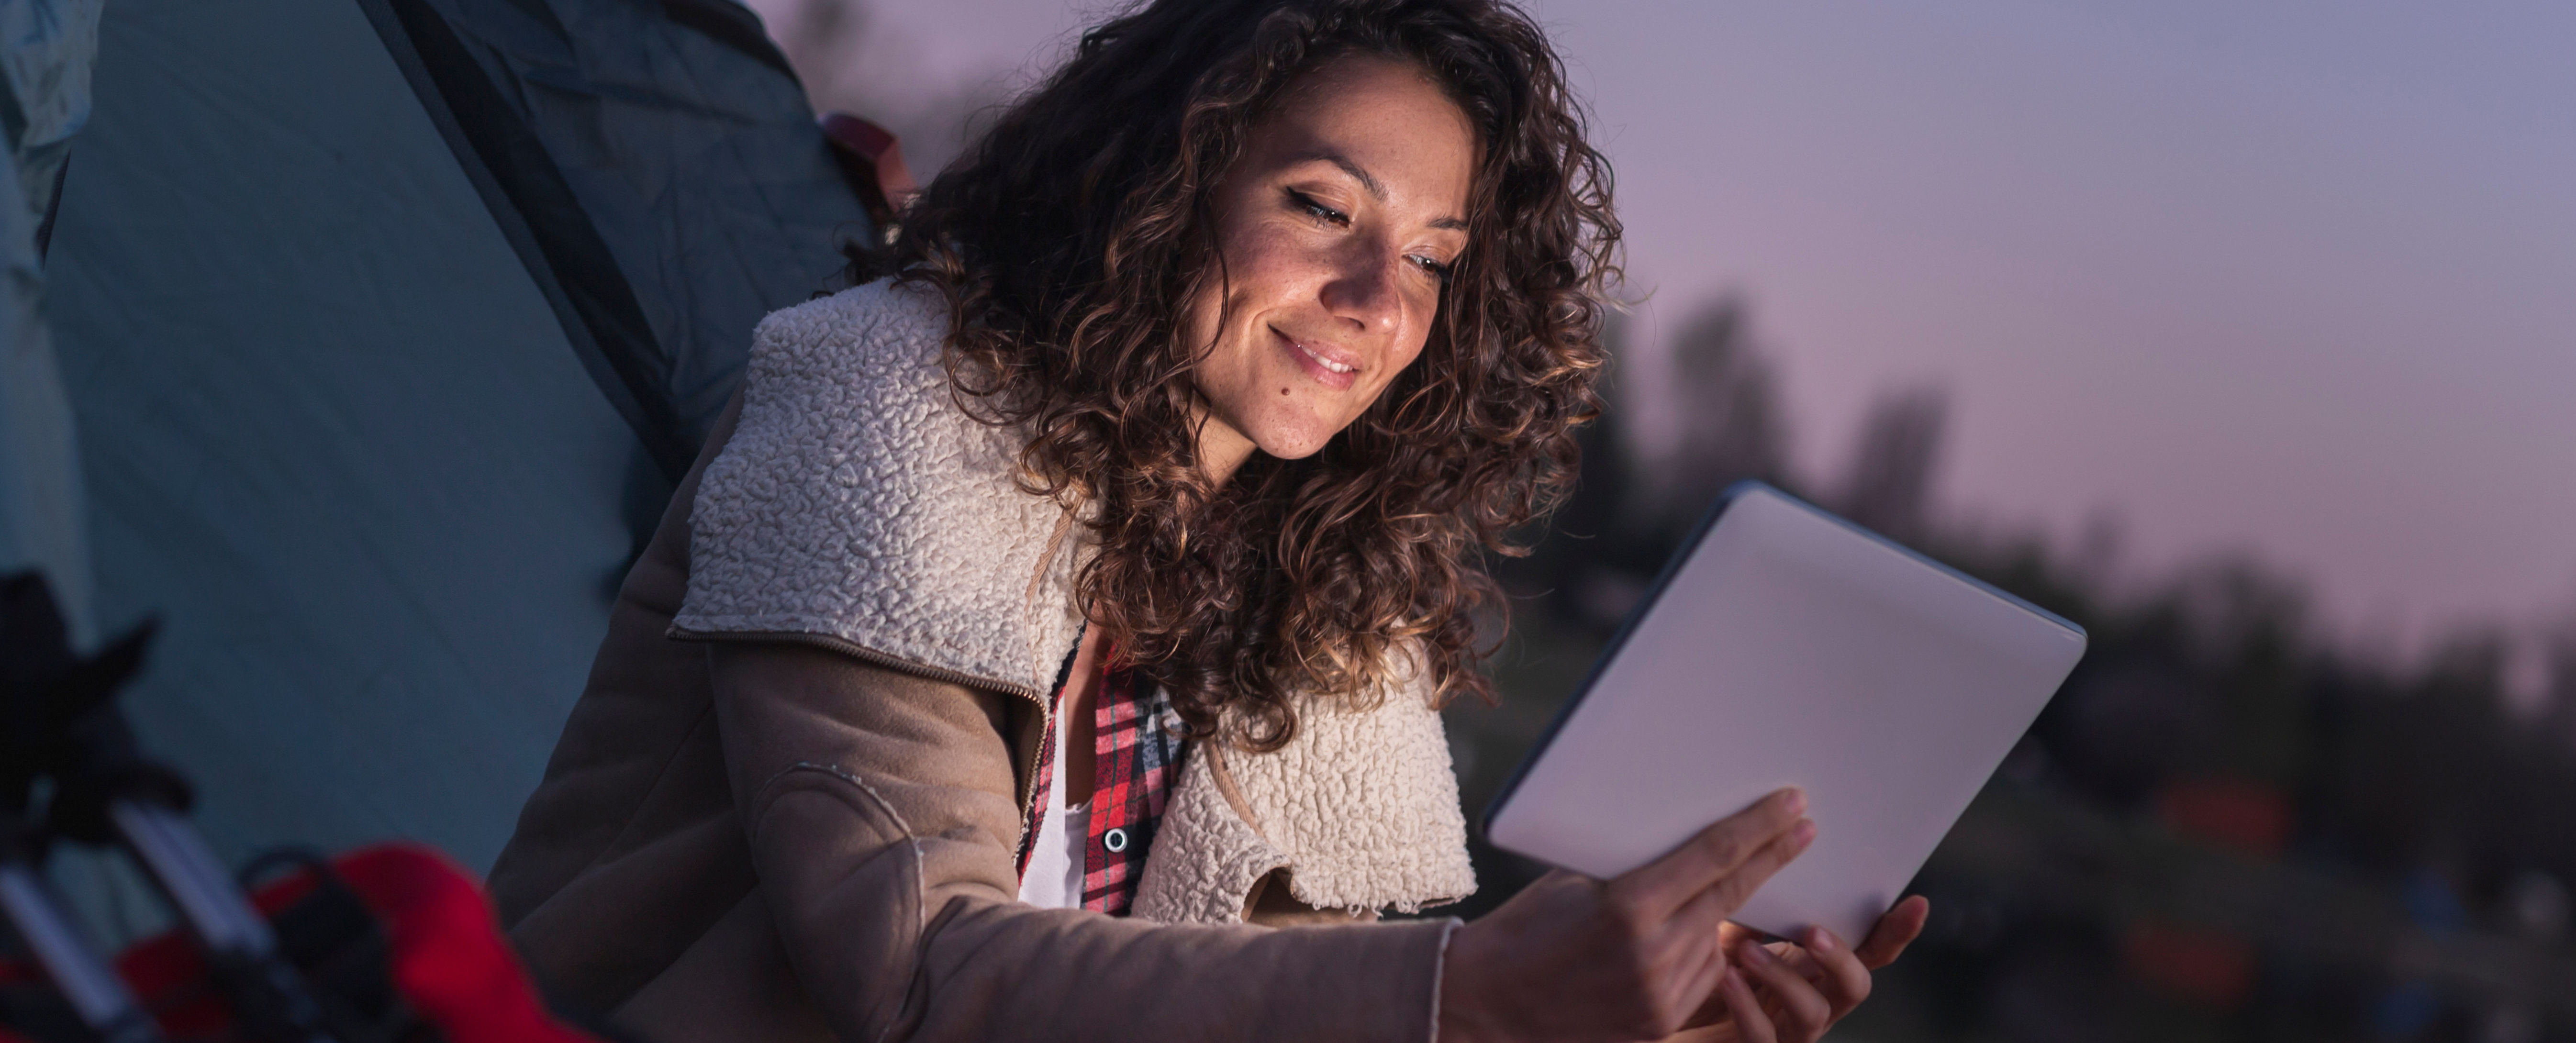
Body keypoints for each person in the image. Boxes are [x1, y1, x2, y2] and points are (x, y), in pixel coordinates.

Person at [483, 0, 1928, 1040]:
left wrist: (1608, 1026)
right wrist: (1466, 992)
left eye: (1432, 258)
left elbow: (1277, 1013)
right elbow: (916, 971)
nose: (1380, 303)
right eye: (1321, 206)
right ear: (1161, 184)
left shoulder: (1335, 612)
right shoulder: (887, 404)